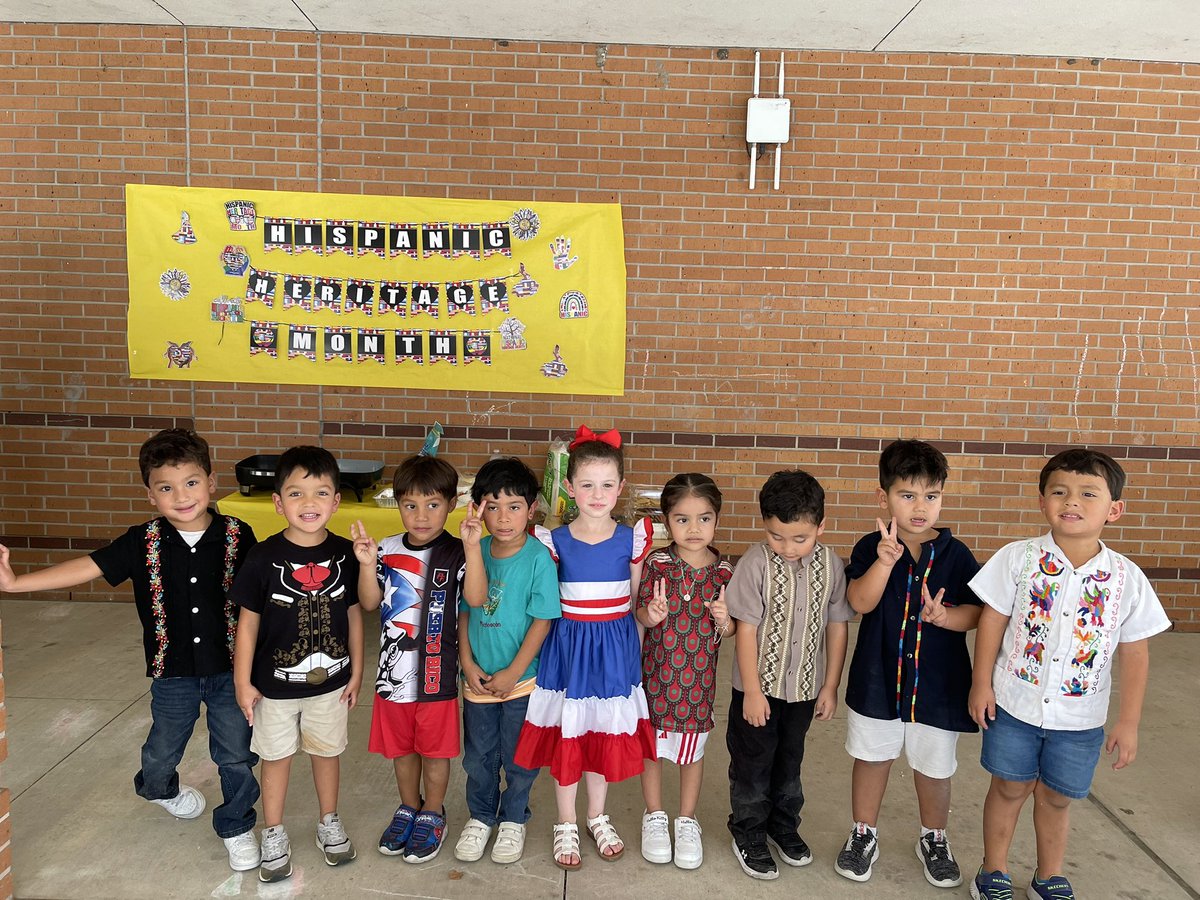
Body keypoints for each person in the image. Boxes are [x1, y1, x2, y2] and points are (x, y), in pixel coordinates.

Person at [0, 429, 261, 872]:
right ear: (150, 495)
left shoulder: (238, 535)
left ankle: (236, 825)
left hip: (231, 671)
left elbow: (262, 596)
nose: (181, 496)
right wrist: (16, 583)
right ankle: (160, 789)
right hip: (171, 672)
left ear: (212, 483)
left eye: (192, 482)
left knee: (235, 753)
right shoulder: (142, 541)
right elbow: (88, 566)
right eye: (166, 487)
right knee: (162, 750)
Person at [967, 449, 1170, 900]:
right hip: (1013, 703)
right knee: (1008, 787)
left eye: (1088, 493)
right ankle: (992, 869)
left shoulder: (1127, 579)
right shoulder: (1018, 558)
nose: (1071, 502)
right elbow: (992, 620)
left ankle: (1048, 875)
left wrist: (1129, 721)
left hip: (1080, 719)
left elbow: (1135, 653)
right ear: (1042, 501)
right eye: (1059, 491)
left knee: (1058, 796)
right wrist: (981, 683)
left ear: (1113, 509)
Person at [835, 439, 982, 888]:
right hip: (878, 679)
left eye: (931, 496)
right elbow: (858, 601)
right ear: (884, 498)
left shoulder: (956, 556)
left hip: (938, 685)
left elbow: (977, 613)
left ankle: (933, 837)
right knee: (872, 758)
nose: (920, 507)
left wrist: (946, 616)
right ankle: (864, 833)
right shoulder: (870, 546)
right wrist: (883, 563)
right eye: (908, 495)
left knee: (935, 767)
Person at [514, 425, 656, 870]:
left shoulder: (631, 540)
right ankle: (566, 822)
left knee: (600, 734)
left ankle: (597, 814)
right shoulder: (552, 543)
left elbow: (634, 605)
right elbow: (544, 604)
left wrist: (644, 629)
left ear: (621, 488)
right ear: (570, 487)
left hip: (614, 653)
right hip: (569, 652)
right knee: (569, 733)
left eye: (607, 485)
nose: (598, 494)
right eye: (588, 485)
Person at [231, 445, 363, 883]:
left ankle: (329, 820)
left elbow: (354, 614)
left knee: (327, 753)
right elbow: (247, 624)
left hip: (331, 684)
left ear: (336, 501)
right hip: (274, 686)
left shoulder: (346, 554)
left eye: (321, 493)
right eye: (296, 494)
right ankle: (273, 831)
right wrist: (242, 681)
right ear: (277, 501)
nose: (309, 505)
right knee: (276, 756)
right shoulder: (262, 558)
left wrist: (358, 670)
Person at [724, 468, 851, 881]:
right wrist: (752, 693)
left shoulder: (831, 565)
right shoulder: (755, 563)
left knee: (789, 762)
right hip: (759, 689)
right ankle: (748, 832)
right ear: (765, 525)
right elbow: (744, 629)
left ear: (820, 525)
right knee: (753, 765)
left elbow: (836, 625)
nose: (788, 547)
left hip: (803, 689)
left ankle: (783, 827)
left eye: (800, 537)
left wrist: (830, 685)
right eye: (777, 536)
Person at [352, 454, 466, 864]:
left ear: (452, 504)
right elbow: (369, 602)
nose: (421, 515)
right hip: (393, 674)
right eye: (410, 505)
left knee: (435, 751)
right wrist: (367, 565)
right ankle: (408, 805)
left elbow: (472, 601)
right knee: (402, 750)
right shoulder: (385, 548)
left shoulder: (458, 553)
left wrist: (472, 544)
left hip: (437, 675)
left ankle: (433, 811)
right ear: (397, 504)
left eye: (433, 504)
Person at [453, 457, 561, 864]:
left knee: (518, 756)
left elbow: (541, 622)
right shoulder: (477, 549)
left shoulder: (537, 559)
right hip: (478, 679)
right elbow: (471, 605)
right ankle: (481, 816)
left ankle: (513, 818)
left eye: (513, 506)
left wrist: (513, 672)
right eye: (492, 506)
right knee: (478, 756)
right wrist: (467, 661)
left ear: (531, 509)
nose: (502, 518)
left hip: (520, 681)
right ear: (478, 506)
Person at [635, 473, 735, 870]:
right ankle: (655, 815)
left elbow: (729, 632)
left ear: (716, 519)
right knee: (653, 751)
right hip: (656, 679)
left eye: (704, 518)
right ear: (666, 520)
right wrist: (651, 613)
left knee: (692, 753)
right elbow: (641, 612)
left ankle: (686, 818)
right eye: (682, 519)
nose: (694, 529)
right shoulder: (657, 563)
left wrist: (725, 619)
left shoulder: (725, 572)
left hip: (697, 686)